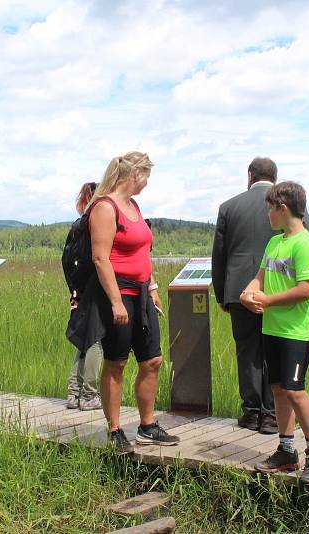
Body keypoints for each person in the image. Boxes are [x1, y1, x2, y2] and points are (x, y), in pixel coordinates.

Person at [76, 151, 179, 454]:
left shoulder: (133, 205)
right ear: (135, 174)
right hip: (117, 294)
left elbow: (142, 253)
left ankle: (147, 426)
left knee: (152, 360)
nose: (147, 184)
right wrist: (116, 302)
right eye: (146, 177)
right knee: (117, 362)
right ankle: (114, 429)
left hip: (142, 292)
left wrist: (153, 286)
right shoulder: (104, 207)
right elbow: (100, 258)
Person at [212, 157, 309, 435]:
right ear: (275, 176)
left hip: (240, 292)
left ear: (249, 175)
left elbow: (218, 256)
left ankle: (251, 411)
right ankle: (271, 416)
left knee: (247, 351)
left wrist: (221, 294)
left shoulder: (228, 207)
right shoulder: (294, 208)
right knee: (275, 353)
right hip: (282, 293)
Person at [242, 181, 309, 484]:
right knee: (278, 389)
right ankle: (286, 450)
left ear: (283, 208)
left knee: (294, 389)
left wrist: (266, 300)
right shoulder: (274, 243)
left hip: (297, 330)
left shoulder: (305, 244)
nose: (267, 214)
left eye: (270, 209)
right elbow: (259, 279)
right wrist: (249, 293)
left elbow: (306, 290)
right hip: (273, 329)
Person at [65, 182, 104, 411]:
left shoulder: (77, 226)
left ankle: (73, 393)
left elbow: (67, 262)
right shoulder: (94, 223)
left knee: (82, 340)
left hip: (80, 291)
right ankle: (89, 395)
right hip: (96, 289)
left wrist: (74, 291)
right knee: (94, 340)